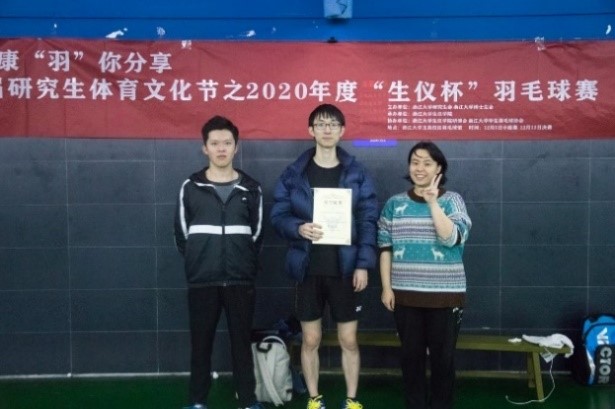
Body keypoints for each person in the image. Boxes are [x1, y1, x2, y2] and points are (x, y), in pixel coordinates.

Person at [270, 104, 378, 409]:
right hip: (308, 269)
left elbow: (368, 220)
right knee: (311, 340)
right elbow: (278, 215)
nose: (327, 129)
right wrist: (298, 228)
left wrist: (363, 265)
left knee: (349, 340)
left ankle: (352, 400)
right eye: (321, 124)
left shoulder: (356, 173)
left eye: (333, 124)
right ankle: (314, 399)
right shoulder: (294, 174)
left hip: (345, 270)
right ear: (311, 130)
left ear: (342, 131)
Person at [174, 115, 264, 409]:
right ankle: (197, 402)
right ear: (205, 148)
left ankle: (248, 401)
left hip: (240, 280)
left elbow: (257, 235)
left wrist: (242, 261)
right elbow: (182, 235)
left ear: (236, 147)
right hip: (203, 280)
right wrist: (200, 260)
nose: (221, 148)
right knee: (200, 346)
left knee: (241, 344)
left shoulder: (251, 188)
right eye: (215, 143)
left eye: (227, 143)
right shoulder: (190, 186)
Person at [377, 141, 472, 409]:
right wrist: (387, 287)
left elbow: (451, 238)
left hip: (445, 297)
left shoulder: (452, 200)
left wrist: (432, 203)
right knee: (411, 359)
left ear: (439, 168)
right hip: (405, 297)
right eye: (415, 162)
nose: (420, 168)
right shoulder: (394, 204)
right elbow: (385, 248)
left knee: (443, 361)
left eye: (427, 163)